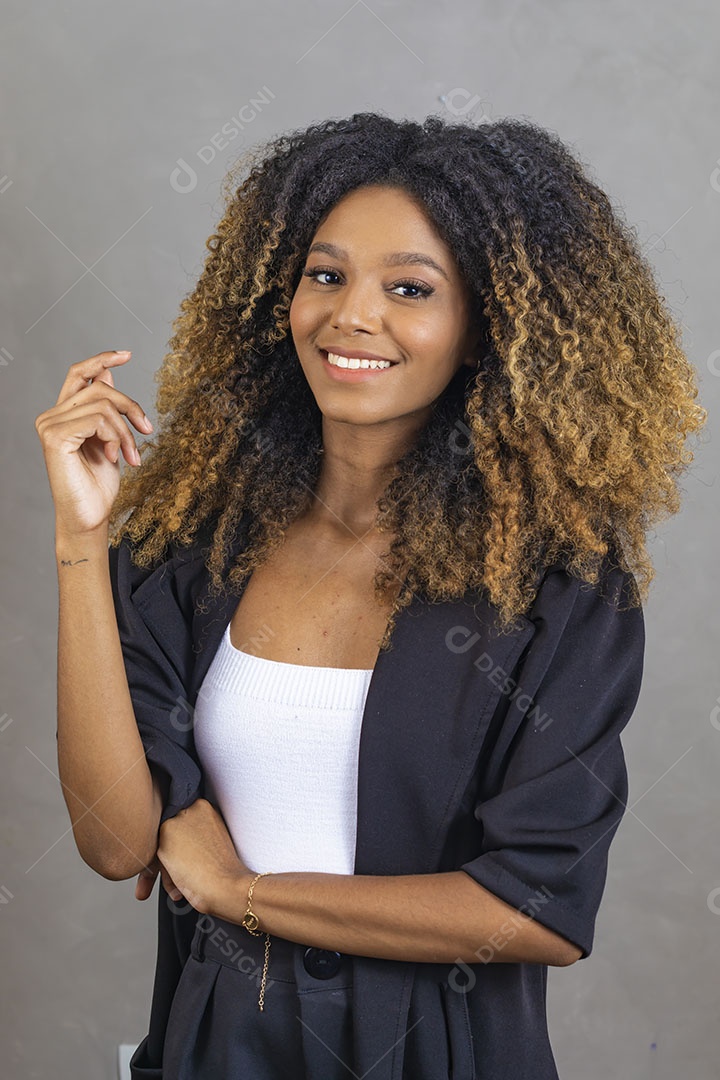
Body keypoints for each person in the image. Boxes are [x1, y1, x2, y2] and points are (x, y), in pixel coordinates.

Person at [35, 112, 706, 1079]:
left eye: (410, 288)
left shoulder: (558, 585)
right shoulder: (192, 545)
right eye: (325, 274)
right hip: (215, 1043)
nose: (353, 314)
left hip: (443, 1053)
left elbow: (533, 910)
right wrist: (81, 538)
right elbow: (114, 837)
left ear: (484, 332)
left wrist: (241, 892)